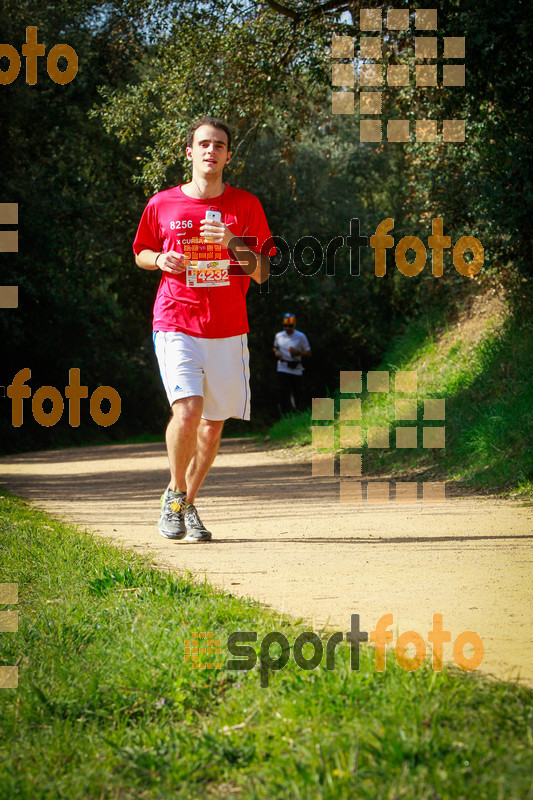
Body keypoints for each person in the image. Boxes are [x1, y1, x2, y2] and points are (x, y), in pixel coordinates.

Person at [133, 116, 273, 542]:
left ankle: (185, 501)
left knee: (212, 428)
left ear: (229, 156)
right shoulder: (162, 204)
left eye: (220, 145)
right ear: (189, 152)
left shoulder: (246, 206)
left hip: (228, 327)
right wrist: (159, 260)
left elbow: (263, 272)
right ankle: (175, 497)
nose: (211, 151)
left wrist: (233, 240)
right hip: (175, 319)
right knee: (188, 411)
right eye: (204, 144)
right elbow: (140, 250)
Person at [273, 313, 311, 414]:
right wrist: (276, 353)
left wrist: (297, 352)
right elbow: (275, 346)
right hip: (282, 366)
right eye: (285, 326)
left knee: (297, 392)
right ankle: (284, 414)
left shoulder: (300, 336)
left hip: (296, 368)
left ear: (294, 325)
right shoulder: (279, 335)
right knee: (283, 392)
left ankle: (298, 412)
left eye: (290, 326)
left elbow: (308, 352)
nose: (287, 328)